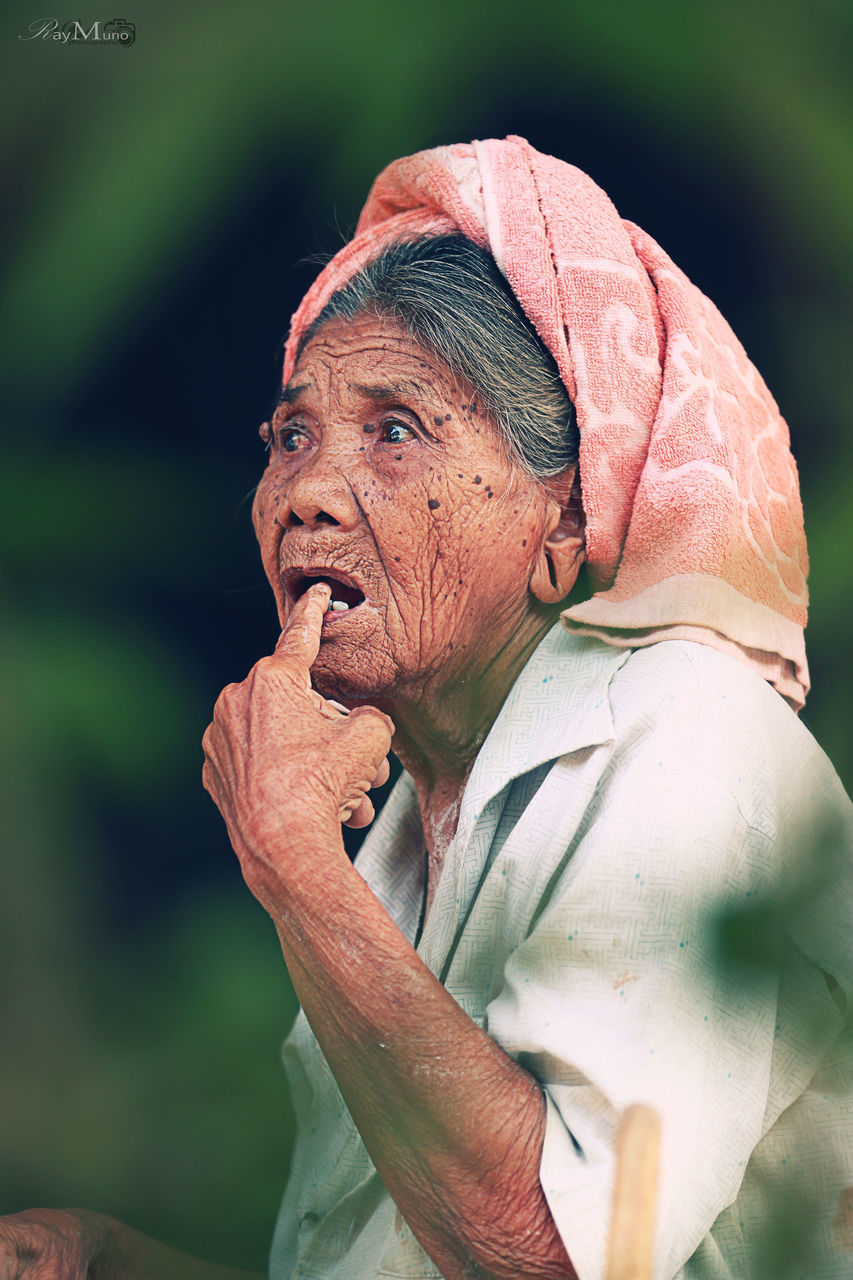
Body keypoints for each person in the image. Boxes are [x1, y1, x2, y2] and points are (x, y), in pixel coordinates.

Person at [1, 137, 851, 1280]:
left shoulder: (683, 738)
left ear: (564, 525)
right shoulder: (410, 822)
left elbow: (551, 1254)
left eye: (392, 431)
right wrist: (113, 1264)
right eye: (291, 434)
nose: (304, 493)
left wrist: (293, 862)